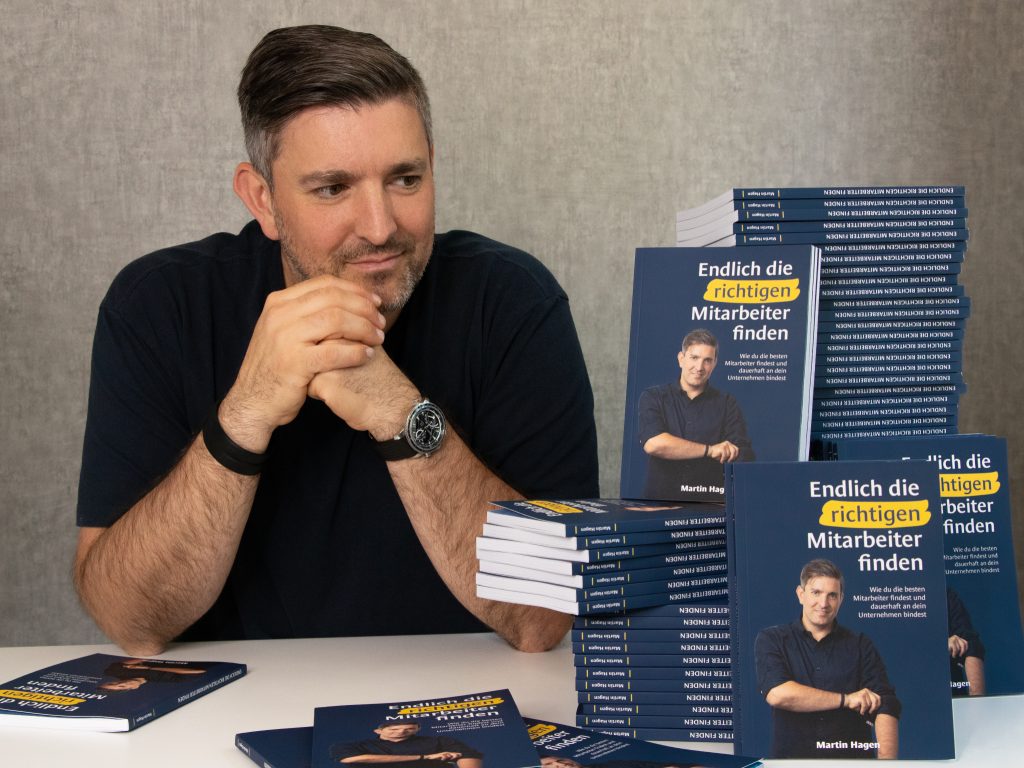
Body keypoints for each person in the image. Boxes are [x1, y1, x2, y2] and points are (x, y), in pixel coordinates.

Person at [72, 25, 598, 657]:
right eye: (332, 188)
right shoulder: (160, 304)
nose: (379, 227)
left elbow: (543, 620)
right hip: (233, 704)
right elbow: (130, 620)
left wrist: (400, 414)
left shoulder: (513, 301)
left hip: (458, 697)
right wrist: (245, 414)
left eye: (405, 179)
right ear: (263, 199)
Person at [754, 559, 901, 759]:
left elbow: (886, 703)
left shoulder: (861, 644)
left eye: (832, 595)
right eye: (816, 593)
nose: (823, 604)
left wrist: (887, 763)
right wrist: (847, 700)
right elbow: (778, 694)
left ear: (841, 599)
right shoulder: (773, 639)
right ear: (801, 594)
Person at [637, 329, 753, 498]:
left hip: (709, 502)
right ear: (681, 359)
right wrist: (710, 450)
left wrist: (731, 452)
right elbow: (654, 444)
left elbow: (741, 455)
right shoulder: (654, 397)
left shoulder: (728, 403)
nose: (699, 367)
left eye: (707, 360)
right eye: (694, 358)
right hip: (660, 501)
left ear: (714, 364)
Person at [331, 721, 482, 767]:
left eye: (409, 729)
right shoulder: (355, 745)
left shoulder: (438, 741)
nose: (402, 731)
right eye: (394, 729)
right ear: (378, 731)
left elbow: (468, 754)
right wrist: (425, 757)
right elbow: (350, 759)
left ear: (417, 729)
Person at [946, 586, 986, 696]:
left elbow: (971, 644)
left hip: (952, 695)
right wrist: (939, 645)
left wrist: (977, 700)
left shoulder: (944, 595)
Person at [97, 659, 208, 691]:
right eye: (122, 686)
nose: (122, 683)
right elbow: (199, 671)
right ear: (133, 688)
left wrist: (134, 665)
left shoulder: (114, 671)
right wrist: (150, 668)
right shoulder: (163, 683)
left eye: (113, 683)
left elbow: (142, 657)